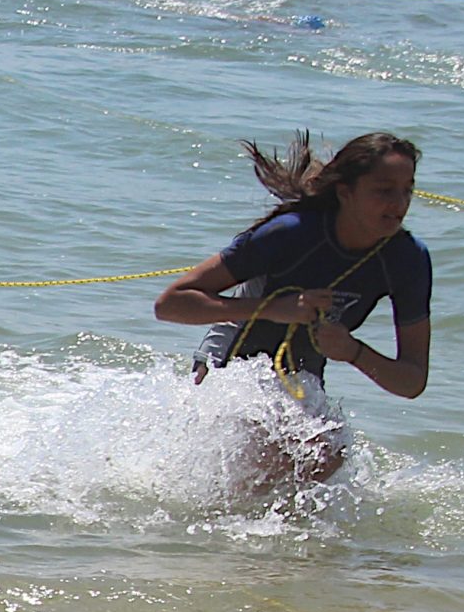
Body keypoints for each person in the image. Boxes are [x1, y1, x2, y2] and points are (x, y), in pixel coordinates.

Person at [154, 131, 431, 478]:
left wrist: (354, 351)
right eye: (384, 190)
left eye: (408, 190)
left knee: (327, 453)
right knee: (277, 453)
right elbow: (171, 304)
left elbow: (411, 380)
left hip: (300, 378)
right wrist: (271, 309)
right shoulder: (290, 233)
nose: (399, 203)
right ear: (346, 192)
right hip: (232, 366)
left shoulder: (407, 259)